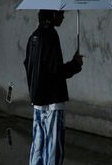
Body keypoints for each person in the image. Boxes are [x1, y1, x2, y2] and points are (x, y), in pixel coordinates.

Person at [24, 10, 83, 165]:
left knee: (38, 142)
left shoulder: (34, 36)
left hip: (37, 98)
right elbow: (55, 70)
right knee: (53, 144)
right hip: (52, 100)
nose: (63, 16)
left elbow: (28, 65)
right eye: (61, 14)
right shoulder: (51, 35)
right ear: (53, 15)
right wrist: (75, 64)